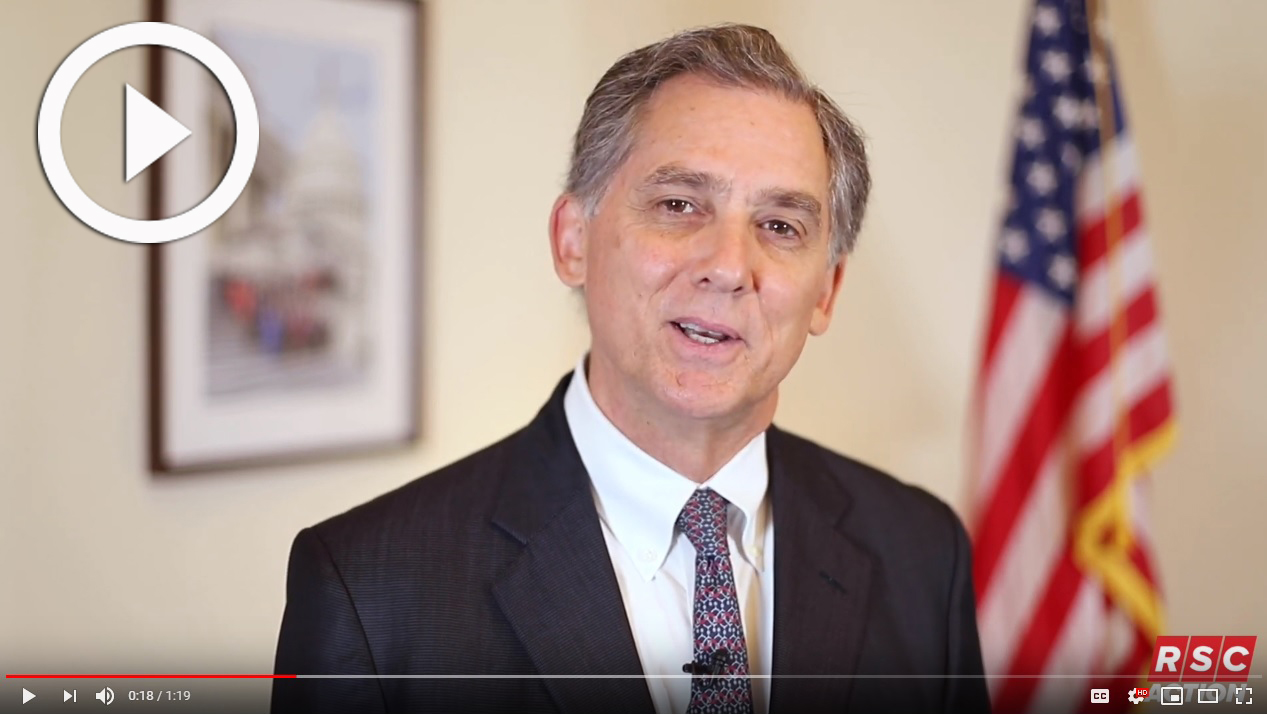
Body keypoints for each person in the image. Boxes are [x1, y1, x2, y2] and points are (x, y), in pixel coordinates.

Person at [272, 23, 989, 714]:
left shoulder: (922, 553)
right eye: (679, 205)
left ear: (826, 290)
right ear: (573, 241)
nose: (728, 266)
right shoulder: (368, 591)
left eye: (780, 225)